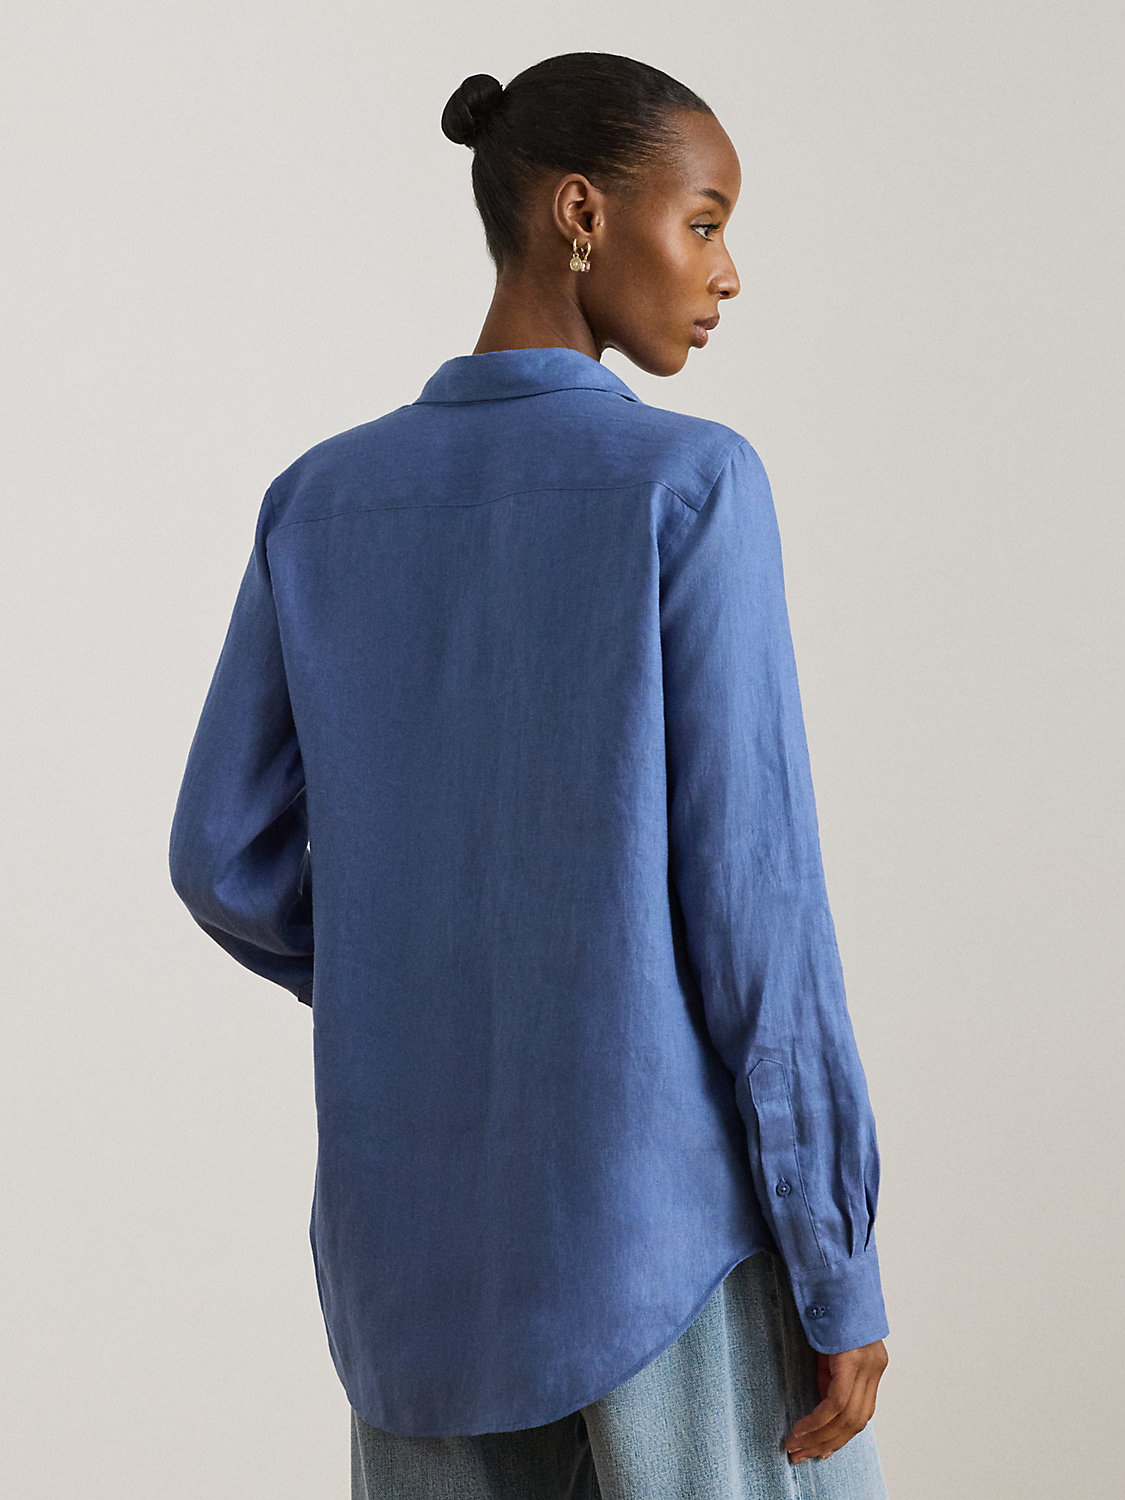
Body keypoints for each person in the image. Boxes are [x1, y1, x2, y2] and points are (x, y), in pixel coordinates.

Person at [168, 50, 892, 1500]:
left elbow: (221, 856)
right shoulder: (690, 486)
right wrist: (838, 1261)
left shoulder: (319, 501)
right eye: (703, 221)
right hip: (660, 1242)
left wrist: (412, 972)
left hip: (412, 1266)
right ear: (580, 212)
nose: (727, 272)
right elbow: (758, 912)